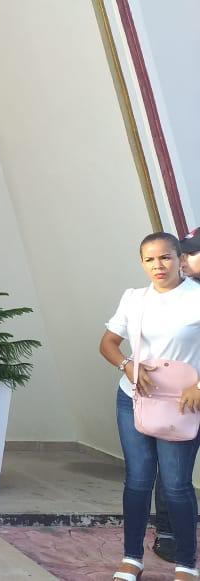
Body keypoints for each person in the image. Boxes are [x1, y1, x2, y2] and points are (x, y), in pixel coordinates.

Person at [100, 232, 200, 581]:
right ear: (141, 263)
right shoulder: (134, 299)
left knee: (176, 484)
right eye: (150, 259)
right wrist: (126, 365)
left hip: (182, 402)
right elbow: (109, 343)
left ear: (179, 259)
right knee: (138, 481)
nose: (158, 265)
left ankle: (186, 563)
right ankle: (132, 558)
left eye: (166, 257)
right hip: (134, 399)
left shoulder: (197, 297)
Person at [153, 226, 200, 563]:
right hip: (180, 398)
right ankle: (168, 532)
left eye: (190, 254)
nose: (184, 261)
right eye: (182, 254)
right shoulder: (175, 296)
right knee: (173, 471)